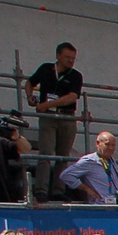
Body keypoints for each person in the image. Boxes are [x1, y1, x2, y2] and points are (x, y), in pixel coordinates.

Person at [24, 42, 82, 199]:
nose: (71, 61)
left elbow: (72, 96)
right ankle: (41, 190)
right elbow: (30, 82)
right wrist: (30, 97)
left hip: (66, 116)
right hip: (48, 117)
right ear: (58, 56)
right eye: (67, 57)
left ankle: (58, 191)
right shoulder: (45, 69)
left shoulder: (75, 75)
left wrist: (47, 104)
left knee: (63, 156)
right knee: (46, 153)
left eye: (73, 58)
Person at [59, 131, 118, 204]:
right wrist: (87, 189)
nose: (110, 148)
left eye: (113, 145)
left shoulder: (110, 160)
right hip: (100, 205)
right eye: (107, 144)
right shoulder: (89, 161)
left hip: (116, 204)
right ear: (98, 143)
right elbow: (66, 175)